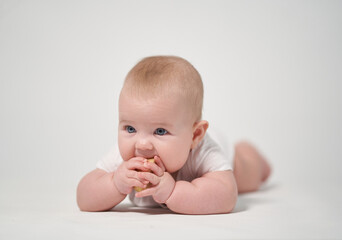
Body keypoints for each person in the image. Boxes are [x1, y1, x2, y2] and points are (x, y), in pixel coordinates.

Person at [76, 56, 271, 214]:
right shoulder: (123, 158)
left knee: (248, 177)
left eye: (160, 131)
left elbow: (227, 196)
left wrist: (173, 191)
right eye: (130, 129)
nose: (142, 144)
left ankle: (250, 153)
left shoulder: (204, 151)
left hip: (228, 157)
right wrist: (114, 183)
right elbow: (84, 197)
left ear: (194, 135)